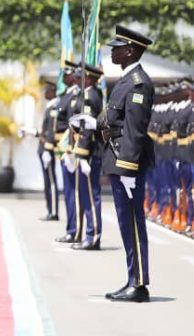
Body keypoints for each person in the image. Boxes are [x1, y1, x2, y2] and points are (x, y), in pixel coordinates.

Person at [99, 25, 154, 303]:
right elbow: (113, 120)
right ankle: (133, 279)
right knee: (125, 223)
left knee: (133, 223)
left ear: (130, 50)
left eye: (116, 47)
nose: (112, 51)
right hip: (119, 160)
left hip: (127, 164)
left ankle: (139, 284)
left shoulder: (138, 83)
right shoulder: (125, 81)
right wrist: (90, 124)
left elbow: (135, 130)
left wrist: (129, 167)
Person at [69, 63, 104, 250]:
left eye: (80, 77)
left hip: (90, 152)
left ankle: (93, 236)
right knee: (86, 196)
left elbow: (87, 129)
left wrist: (82, 155)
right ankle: (90, 235)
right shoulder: (88, 94)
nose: (77, 80)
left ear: (89, 78)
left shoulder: (90, 96)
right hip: (86, 152)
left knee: (91, 197)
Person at [54, 63, 80, 244]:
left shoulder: (76, 96)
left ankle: (75, 230)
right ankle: (71, 229)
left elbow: (73, 124)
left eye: (67, 74)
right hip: (63, 149)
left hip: (71, 149)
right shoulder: (65, 96)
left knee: (74, 194)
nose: (63, 77)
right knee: (69, 193)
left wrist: (71, 149)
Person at [37, 79, 60, 221]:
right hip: (44, 148)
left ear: (53, 91)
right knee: (47, 181)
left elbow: (51, 131)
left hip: (47, 149)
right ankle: (49, 210)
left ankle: (54, 212)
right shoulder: (49, 107)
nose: (45, 92)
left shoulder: (53, 108)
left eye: (47, 90)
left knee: (51, 181)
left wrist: (47, 148)